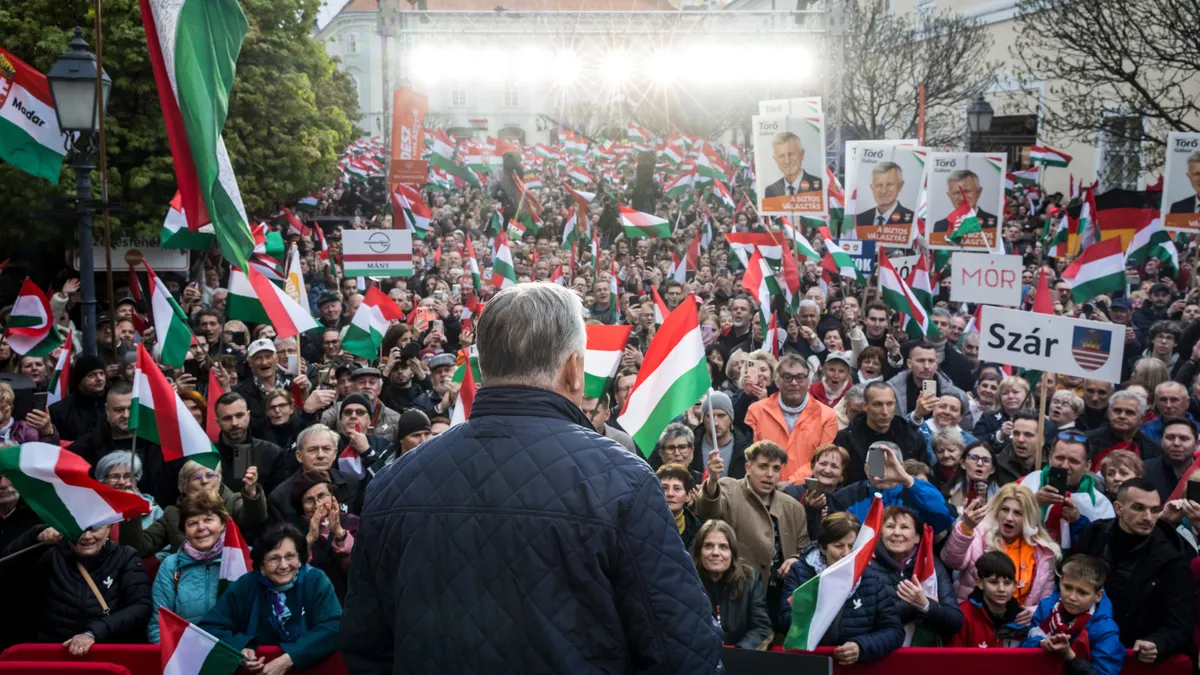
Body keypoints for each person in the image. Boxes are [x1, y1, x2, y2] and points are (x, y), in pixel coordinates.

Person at [341, 283, 723, 673]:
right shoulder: (624, 480)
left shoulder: (393, 483)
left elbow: (366, 648)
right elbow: (684, 653)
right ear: (575, 370)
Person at [1072, 478, 1193, 663]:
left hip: (1135, 657)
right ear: (1118, 508)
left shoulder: (1172, 558)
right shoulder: (1094, 536)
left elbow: (1181, 625)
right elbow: (1066, 587)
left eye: (1154, 510)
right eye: (1138, 508)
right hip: (1084, 647)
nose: (1148, 518)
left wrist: (1157, 643)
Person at [697, 440, 810, 631]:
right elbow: (708, 510)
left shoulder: (794, 507)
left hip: (780, 597)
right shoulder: (729, 488)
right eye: (763, 466)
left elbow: (805, 549)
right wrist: (713, 481)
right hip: (737, 595)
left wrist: (796, 558)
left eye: (776, 468)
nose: (770, 474)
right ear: (748, 468)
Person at [200, 524, 342, 673]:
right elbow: (209, 628)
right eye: (274, 558)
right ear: (261, 566)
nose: (283, 565)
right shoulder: (246, 585)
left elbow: (334, 626)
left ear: (299, 560)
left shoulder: (315, 580)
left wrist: (290, 657)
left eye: (290, 556)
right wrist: (239, 648)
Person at [1, 522, 151, 652]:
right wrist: (35, 535)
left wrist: (94, 633)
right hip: (53, 653)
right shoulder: (52, 553)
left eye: (94, 529)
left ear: (109, 528)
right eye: (78, 529)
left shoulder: (125, 557)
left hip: (104, 651)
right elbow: (8, 571)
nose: (86, 536)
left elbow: (140, 606)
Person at [778, 512, 905, 664]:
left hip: (854, 667)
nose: (845, 553)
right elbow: (786, 621)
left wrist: (861, 647)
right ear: (823, 548)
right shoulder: (801, 573)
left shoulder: (870, 578)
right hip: (809, 664)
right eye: (838, 546)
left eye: (852, 546)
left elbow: (894, 630)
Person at [941, 484, 1061, 611]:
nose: (1009, 518)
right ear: (996, 510)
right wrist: (966, 528)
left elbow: (1046, 598)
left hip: (1018, 625)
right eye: (1004, 509)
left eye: (1018, 513)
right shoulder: (978, 534)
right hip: (975, 618)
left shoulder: (1044, 551)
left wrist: (1036, 611)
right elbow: (951, 561)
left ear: (1028, 517)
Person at [120, 459, 267, 556]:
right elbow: (140, 548)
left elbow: (255, 518)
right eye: (196, 478)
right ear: (184, 485)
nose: (204, 481)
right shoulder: (172, 514)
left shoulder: (233, 501)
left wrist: (251, 493)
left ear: (220, 478)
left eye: (210, 475)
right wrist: (131, 513)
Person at [147, 492, 234, 643]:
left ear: (223, 524)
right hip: (185, 658)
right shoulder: (171, 565)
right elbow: (158, 625)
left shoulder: (242, 559)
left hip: (236, 655)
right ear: (184, 530)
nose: (201, 527)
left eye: (208, 520)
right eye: (192, 523)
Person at [1020, 555, 1125, 675]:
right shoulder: (1046, 608)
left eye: (1082, 592)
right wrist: (1041, 643)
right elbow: (1025, 645)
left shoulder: (1106, 629)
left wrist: (1069, 656)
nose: (1072, 597)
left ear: (1098, 596)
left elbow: (1105, 673)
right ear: (1060, 581)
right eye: (1067, 587)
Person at [872, 506, 963, 645]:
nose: (897, 533)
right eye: (890, 526)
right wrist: (915, 606)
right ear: (881, 533)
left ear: (917, 537)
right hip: (880, 651)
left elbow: (955, 621)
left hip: (923, 654)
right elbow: (870, 619)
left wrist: (927, 606)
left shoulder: (931, 565)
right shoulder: (869, 566)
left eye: (904, 527)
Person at [744, 353, 838, 484]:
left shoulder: (828, 416)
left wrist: (791, 483)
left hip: (804, 491)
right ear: (777, 381)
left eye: (800, 377)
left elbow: (822, 459)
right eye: (787, 377)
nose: (794, 383)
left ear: (809, 382)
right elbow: (750, 454)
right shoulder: (756, 411)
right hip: (762, 487)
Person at [827, 442, 954, 535]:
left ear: (902, 468)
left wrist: (907, 479)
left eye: (890, 466)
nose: (884, 472)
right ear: (866, 469)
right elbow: (834, 537)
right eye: (877, 465)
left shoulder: (916, 496)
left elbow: (944, 519)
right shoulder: (844, 498)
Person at [692, 520, 772, 650]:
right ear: (699, 551)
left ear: (732, 553)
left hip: (739, 660)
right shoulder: (688, 581)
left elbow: (762, 628)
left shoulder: (750, 581)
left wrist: (738, 653)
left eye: (723, 547)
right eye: (708, 546)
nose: (716, 552)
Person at [834, 382, 929, 484]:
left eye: (889, 404)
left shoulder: (912, 437)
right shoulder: (846, 439)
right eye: (877, 404)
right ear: (865, 406)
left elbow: (925, 476)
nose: (885, 411)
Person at [269, 424, 364, 522]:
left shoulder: (352, 483)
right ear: (299, 456)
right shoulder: (280, 497)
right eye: (312, 450)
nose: (320, 455)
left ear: (335, 454)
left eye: (326, 449)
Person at [288, 470, 358, 602]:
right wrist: (310, 538)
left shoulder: (352, 522)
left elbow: (359, 568)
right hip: (308, 599)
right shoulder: (290, 529)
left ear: (332, 496)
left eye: (322, 496)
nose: (318, 504)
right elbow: (289, 571)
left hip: (350, 599)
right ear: (301, 506)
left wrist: (339, 533)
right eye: (309, 500)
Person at [1020, 431, 1115, 525]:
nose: (1065, 466)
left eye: (1073, 461)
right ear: (1050, 458)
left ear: (1087, 466)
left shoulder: (1101, 504)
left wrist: (1078, 522)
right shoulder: (1028, 483)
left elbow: (1103, 539)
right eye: (1059, 458)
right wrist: (1032, 503)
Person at [949, 552, 1029, 648]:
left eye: (1007, 583)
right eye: (994, 582)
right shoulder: (963, 615)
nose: (1001, 589)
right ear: (980, 583)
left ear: (1014, 586)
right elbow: (954, 658)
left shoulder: (1022, 619)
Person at [886, 341, 967, 419]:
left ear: (937, 365)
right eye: (921, 361)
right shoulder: (890, 391)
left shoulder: (958, 395)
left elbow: (966, 428)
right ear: (909, 363)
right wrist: (916, 416)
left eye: (931, 361)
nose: (926, 366)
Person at [1085, 390, 1161, 469]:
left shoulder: (1154, 449)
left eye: (1129, 412)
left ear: (1141, 419)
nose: (1122, 416)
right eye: (1117, 411)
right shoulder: (1088, 440)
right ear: (1109, 413)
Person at [47, 353, 107, 441]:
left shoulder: (111, 402)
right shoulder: (59, 410)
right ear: (80, 379)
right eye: (91, 375)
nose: (99, 378)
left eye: (101, 373)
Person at [694, 390, 750, 481]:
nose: (715, 423)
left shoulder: (746, 449)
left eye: (721, 416)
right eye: (710, 416)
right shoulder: (692, 447)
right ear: (703, 419)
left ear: (731, 418)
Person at [1142, 418, 1196, 501]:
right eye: (1170, 438)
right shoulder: (1144, 470)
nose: (1176, 443)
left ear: (1196, 444)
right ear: (1161, 442)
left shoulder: (1198, 469)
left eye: (1184, 438)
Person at [932, 170, 997, 235]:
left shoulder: (996, 223)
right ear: (949, 196)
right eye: (956, 193)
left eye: (967, 191)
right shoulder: (940, 226)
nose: (962, 198)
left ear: (979, 192)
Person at [993, 411, 1046, 486]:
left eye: (1028, 435)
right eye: (1016, 433)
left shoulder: (1052, 467)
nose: (1020, 440)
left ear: (1042, 441)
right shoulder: (996, 465)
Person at [763, 132, 821, 199]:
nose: (787, 161)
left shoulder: (820, 186)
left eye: (791, 154)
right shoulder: (771, 191)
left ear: (802, 154)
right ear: (775, 160)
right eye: (781, 156)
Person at [944, 440, 1000, 508]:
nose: (980, 463)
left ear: (992, 469)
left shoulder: (1002, 499)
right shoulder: (947, 494)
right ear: (963, 463)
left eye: (986, 460)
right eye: (974, 458)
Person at [855, 162, 914, 226]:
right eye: (879, 185)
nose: (884, 191)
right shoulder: (858, 220)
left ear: (900, 186)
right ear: (872, 188)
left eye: (889, 184)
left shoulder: (912, 220)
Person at [658, 463, 702, 549]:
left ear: (688, 496)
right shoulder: (641, 525)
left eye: (677, 489)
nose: (670, 494)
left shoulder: (699, 531)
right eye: (664, 488)